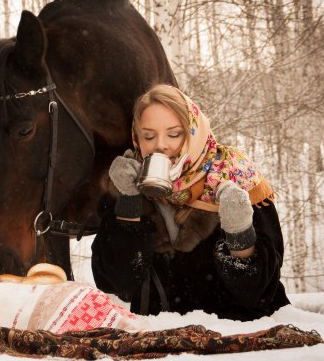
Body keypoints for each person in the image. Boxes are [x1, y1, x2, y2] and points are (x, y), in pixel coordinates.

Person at [91, 84, 290, 321]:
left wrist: (239, 233)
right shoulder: (127, 184)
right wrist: (129, 201)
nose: (160, 145)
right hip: (159, 342)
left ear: (194, 133)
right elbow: (116, 284)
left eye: (174, 134)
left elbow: (258, 293)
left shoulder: (238, 180)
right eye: (149, 135)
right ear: (137, 138)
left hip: (239, 336)